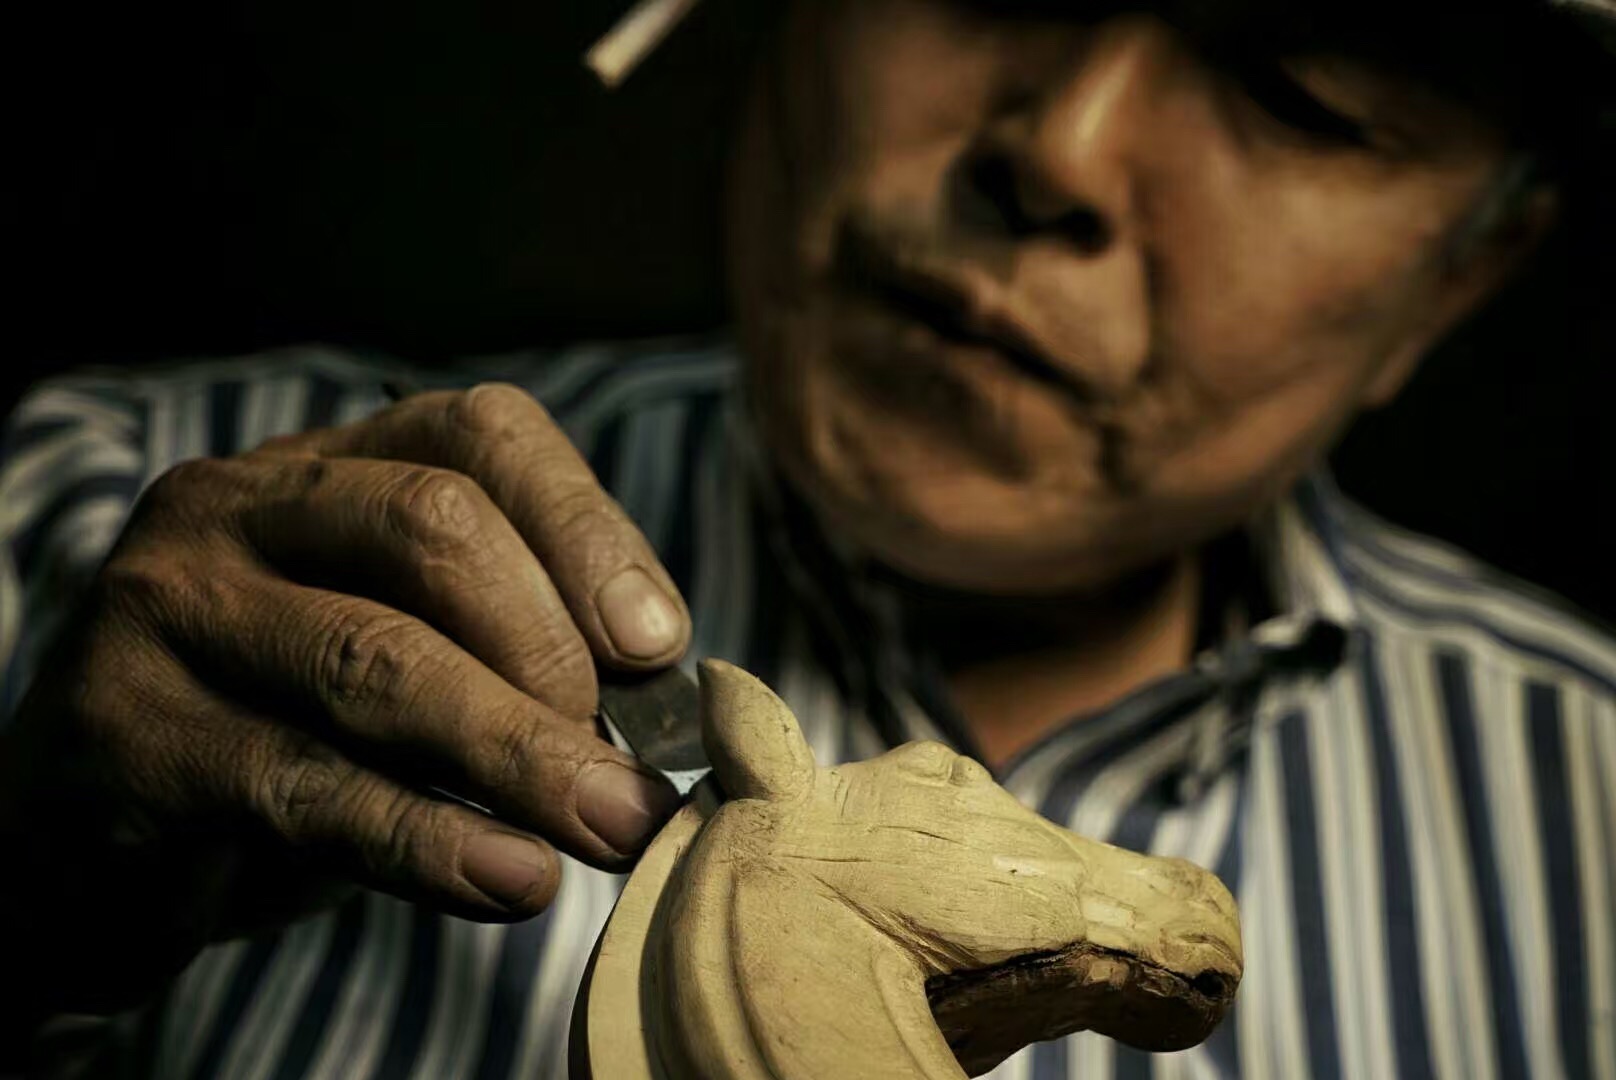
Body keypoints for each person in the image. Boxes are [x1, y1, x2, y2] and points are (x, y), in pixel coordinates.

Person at [2, 1, 1613, 1077]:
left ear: (1457, 281)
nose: (1056, 151)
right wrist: (32, 913)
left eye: (1301, 95)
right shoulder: (96, 515)